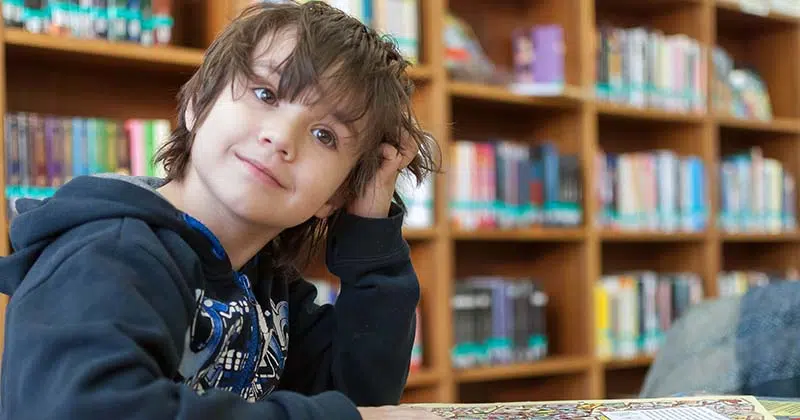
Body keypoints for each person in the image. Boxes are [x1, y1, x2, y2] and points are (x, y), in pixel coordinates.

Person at [0, 2, 444, 419]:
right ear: (198, 104)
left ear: (334, 195)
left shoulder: (266, 283)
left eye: (324, 135)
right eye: (265, 94)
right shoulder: (109, 253)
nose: (281, 138)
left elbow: (358, 396)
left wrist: (370, 227)